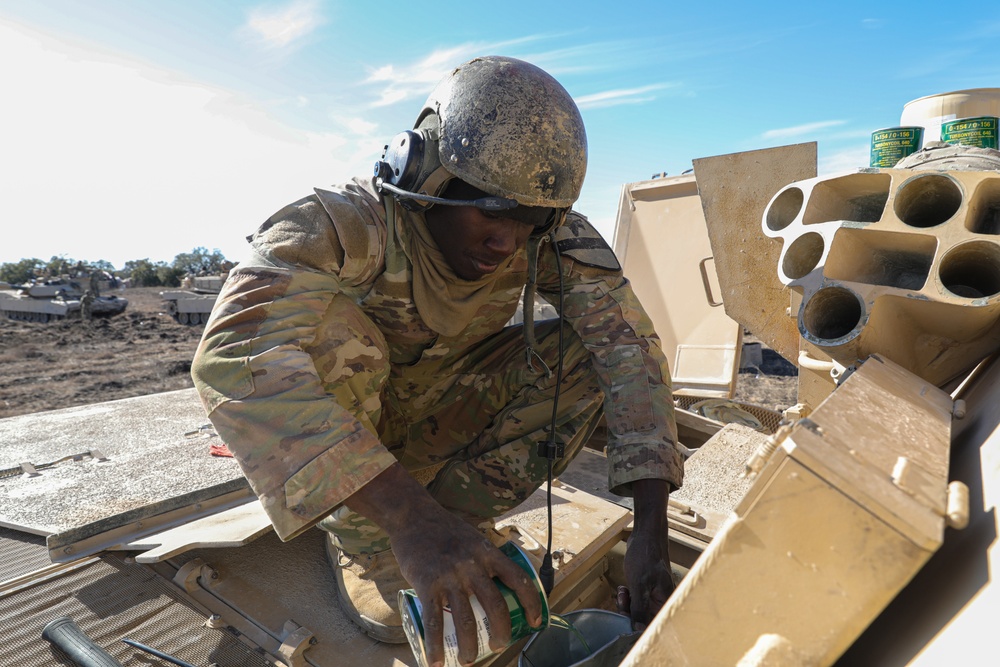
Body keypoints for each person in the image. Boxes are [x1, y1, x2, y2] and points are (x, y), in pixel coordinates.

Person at [191, 55, 682, 666]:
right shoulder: (347, 226)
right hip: (354, 428)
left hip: (438, 409)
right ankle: (371, 540)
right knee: (334, 337)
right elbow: (234, 358)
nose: (507, 243)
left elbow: (629, 350)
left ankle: (457, 525)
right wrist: (407, 521)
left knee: (586, 353)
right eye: (490, 212)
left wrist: (650, 532)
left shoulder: (548, 237)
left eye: (529, 223)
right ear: (426, 176)